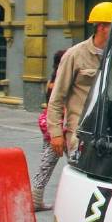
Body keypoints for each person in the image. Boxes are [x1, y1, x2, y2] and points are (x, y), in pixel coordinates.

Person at [45, 1, 112, 190]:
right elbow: (56, 97)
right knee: (81, 180)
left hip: (108, 132)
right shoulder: (75, 55)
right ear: (101, 27)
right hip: (80, 133)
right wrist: (56, 134)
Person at [30, 49, 68, 211]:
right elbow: (60, 105)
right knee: (53, 163)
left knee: (46, 162)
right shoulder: (59, 82)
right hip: (59, 126)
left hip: (49, 125)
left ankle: (36, 200)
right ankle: (35, 201)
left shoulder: (51, 80)